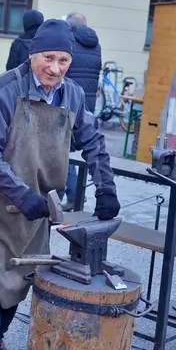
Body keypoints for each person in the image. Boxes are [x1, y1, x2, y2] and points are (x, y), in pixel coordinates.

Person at [0, 19, 120, 350]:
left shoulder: (72, 94)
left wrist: (106, 188)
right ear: (32, 55)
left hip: (35, 208)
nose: (55, 68)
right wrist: (22, 195)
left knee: (19, 277)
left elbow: (93, 142)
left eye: (63, 61)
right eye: (48, 58)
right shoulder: (2, 91)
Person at [62, 12, 103, 211]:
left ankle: (69, 195)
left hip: (69, 104)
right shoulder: (96, 45)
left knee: (61, 149)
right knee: (71, 150)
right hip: (88, 104)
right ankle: (73, 194)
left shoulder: (70, 45)